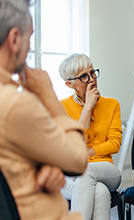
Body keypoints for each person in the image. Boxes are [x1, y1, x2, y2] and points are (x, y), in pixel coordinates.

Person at [0, 0, 88, 219]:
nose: (29, 46)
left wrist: (43, 165)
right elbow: (78, 160)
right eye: (29, 37)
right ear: (14, 39)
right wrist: (49, 95)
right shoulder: (15, 103)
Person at [58, 53, 122, 220]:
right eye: (84, 77)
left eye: (93, 73)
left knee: (86, 172)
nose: (92, 80)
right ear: (69, 84)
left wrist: (87, 152)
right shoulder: (61, 107)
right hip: (71, 175)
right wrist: (88, 107)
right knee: (100, 192)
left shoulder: (112, 104)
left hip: (106, 169)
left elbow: (114, 144)